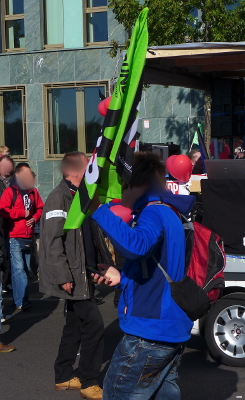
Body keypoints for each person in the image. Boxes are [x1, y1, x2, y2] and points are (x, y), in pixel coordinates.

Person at [91, 152, 195, 400]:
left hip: (149, 331)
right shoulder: (169, 211)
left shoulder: (153, 212)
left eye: (122, 183)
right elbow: (160, 265)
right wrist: (122, 278)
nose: (119, 190)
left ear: (134, 184)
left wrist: (97, 208)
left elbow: (137, 246)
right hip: (170, 327)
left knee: (116, 395)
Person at [38, 152, 106, 400]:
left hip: (83, 272)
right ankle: (89, 381)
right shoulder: (59, 197)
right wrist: (64, 276)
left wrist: (98, 266)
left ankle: (64, 375)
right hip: (73, 276)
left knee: (74, 326)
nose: (90, 170)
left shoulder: (80, 196)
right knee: (95, 324)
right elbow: (53, 241)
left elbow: (89, 237)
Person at [0, 163, 43, 310]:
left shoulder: (33, 192)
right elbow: (3, 210)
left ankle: (20, 299)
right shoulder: (10, 191)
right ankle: (21, 302)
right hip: (13, 236)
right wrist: (21, 213)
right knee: (19, 270)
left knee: (24, 270)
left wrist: (35, 218)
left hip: (27, 235)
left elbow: (40, 208)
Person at [0, 156, 14, 294]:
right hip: (2, 224)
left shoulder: (17, 181)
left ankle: (7, 281)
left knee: (7, 255)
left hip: (13, 225)